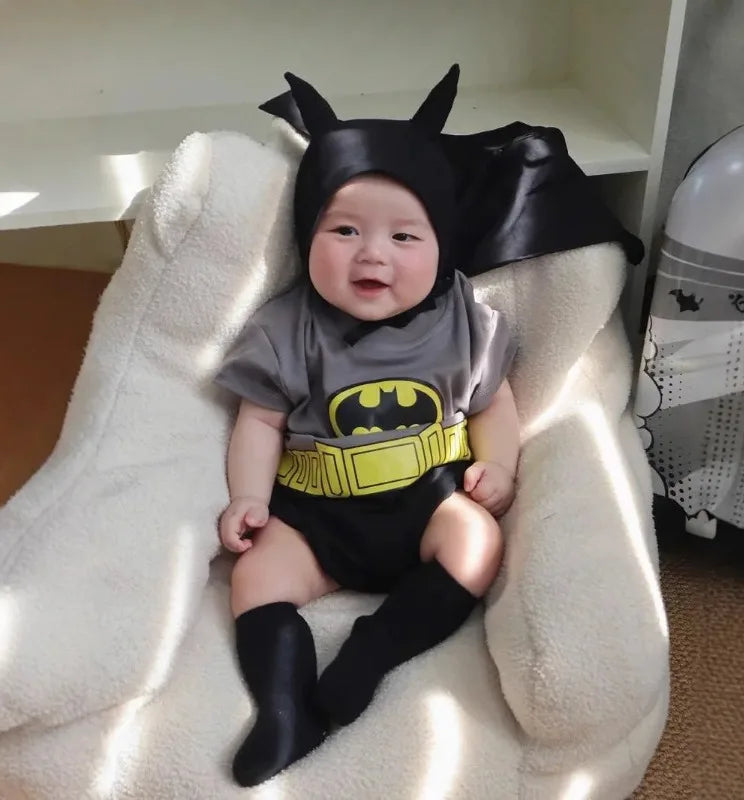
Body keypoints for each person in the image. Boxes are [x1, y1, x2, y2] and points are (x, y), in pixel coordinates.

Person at [214, 65, 519, 788]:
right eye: (344, 229)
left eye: (404, 236)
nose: (372, 253)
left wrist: (499, 467)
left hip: (427, 500)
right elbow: (259, 421)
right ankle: (284, 710)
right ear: (307, 233)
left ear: (443, 242)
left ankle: (372, 654)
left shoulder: (465, 322)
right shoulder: (287, 328)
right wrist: (247, 497)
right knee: (255, 577)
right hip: (316, 513)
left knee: (477, 543)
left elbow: (493, 404)